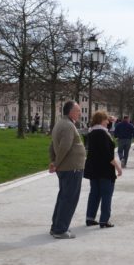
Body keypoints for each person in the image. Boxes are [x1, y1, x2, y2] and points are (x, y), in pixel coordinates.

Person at [48, 101, 86, 239]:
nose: (79, 113)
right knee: (69, 199)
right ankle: (60, 230)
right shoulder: (69, 126)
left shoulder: (60, 123)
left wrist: (53, 161)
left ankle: (56, 227)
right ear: (70, 111)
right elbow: (64, 147)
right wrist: (56, 163)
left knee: (63, 197)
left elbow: (52, 145)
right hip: (72, 168)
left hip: (67, 167)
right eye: (78, 111)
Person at [84, 110, 122, 229]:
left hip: (94, 168)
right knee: (106, 194)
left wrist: (111, 120)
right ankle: (104, 220)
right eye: (106, 120)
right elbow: (107, 155)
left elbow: (106, 128)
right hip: (105, 169)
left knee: (94, 193)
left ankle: (90, 217)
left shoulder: (92, 132)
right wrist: (118, 167)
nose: (108, 122)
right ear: (102, 121)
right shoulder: (102, 134)